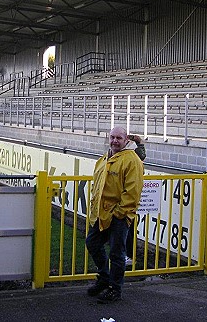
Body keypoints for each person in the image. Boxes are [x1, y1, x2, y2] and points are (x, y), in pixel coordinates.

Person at [86, 126, 144, 303]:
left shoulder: (131, 159)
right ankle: (105, 277)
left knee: (117, 253)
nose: (115, 141)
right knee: (92, 242)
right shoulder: (105, 158)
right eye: (112, 137)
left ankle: (115, 289)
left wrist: (120, 213)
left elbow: (132, 191)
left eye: (119, 138)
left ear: (126, 140)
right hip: (102, 214)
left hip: (118, 215)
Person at [125, 134, 146, 267]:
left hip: (127, 201)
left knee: (128, 229)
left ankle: (129, 255)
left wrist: (140, 144)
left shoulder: (132, 157)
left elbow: (141, 156)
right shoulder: (117, 155)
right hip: (121, 200)